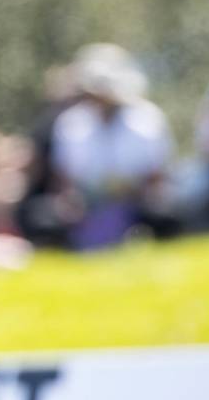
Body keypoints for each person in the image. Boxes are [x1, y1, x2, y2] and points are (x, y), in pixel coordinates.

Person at [48, 44, 177, 249]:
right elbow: (64, 181)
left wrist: (129, 193)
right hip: (87, 207)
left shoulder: (147, 119)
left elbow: (157, 177)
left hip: (138, 205)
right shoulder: (70, 123)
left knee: (164, 215)